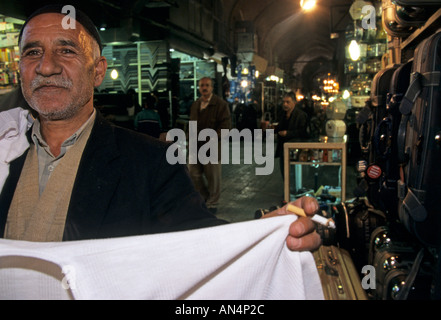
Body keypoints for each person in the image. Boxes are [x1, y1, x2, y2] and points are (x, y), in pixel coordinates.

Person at [0, 5, 320, 252]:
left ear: (98, 71)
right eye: (33, 52)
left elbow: (198, 242)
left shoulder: (149, 163)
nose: (46, 66)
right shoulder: (5, 147)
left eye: (66, 50)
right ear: (20, 69)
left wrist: (262, 236)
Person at [188, 77, 231, 214]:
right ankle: (205, 197)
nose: (204, 88)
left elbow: (226, 126)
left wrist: (214, 137)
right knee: (193, 173)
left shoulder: (220, 104)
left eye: (207, 85)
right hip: (196, 146)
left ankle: (212, 203)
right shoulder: (196, 104)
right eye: (202, 86)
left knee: (213, 178)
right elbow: (191, 124)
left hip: (212, 147)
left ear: (212, 87)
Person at [274, 92, 309, 188]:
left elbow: (303, 132)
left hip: (295, 148)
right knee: (284, 172)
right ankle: (287, 192)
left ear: (294, 102)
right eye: (284, 102)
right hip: (283, 148)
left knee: (293, 172)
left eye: (288, 102)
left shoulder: (301, 115)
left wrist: (288, 133)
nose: (285, 104)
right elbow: (279, 127)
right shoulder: (282, 114)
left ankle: (294, 192)